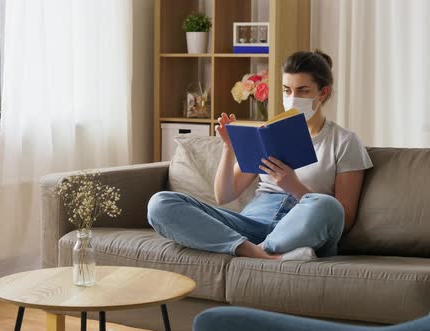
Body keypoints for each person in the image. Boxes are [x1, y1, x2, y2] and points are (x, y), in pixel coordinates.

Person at [147, 50, 373, 260]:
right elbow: (224, 195)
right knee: (160, 203)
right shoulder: (268, 133)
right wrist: (229, 148)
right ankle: (259, 253)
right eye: (287, 90)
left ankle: (261, 251)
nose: (292, 98)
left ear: (323, 93)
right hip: (251, 224)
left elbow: (345, 218)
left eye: (302, 91)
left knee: (327, 206)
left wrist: (293, 186)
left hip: (303, 225)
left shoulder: (343, 142)